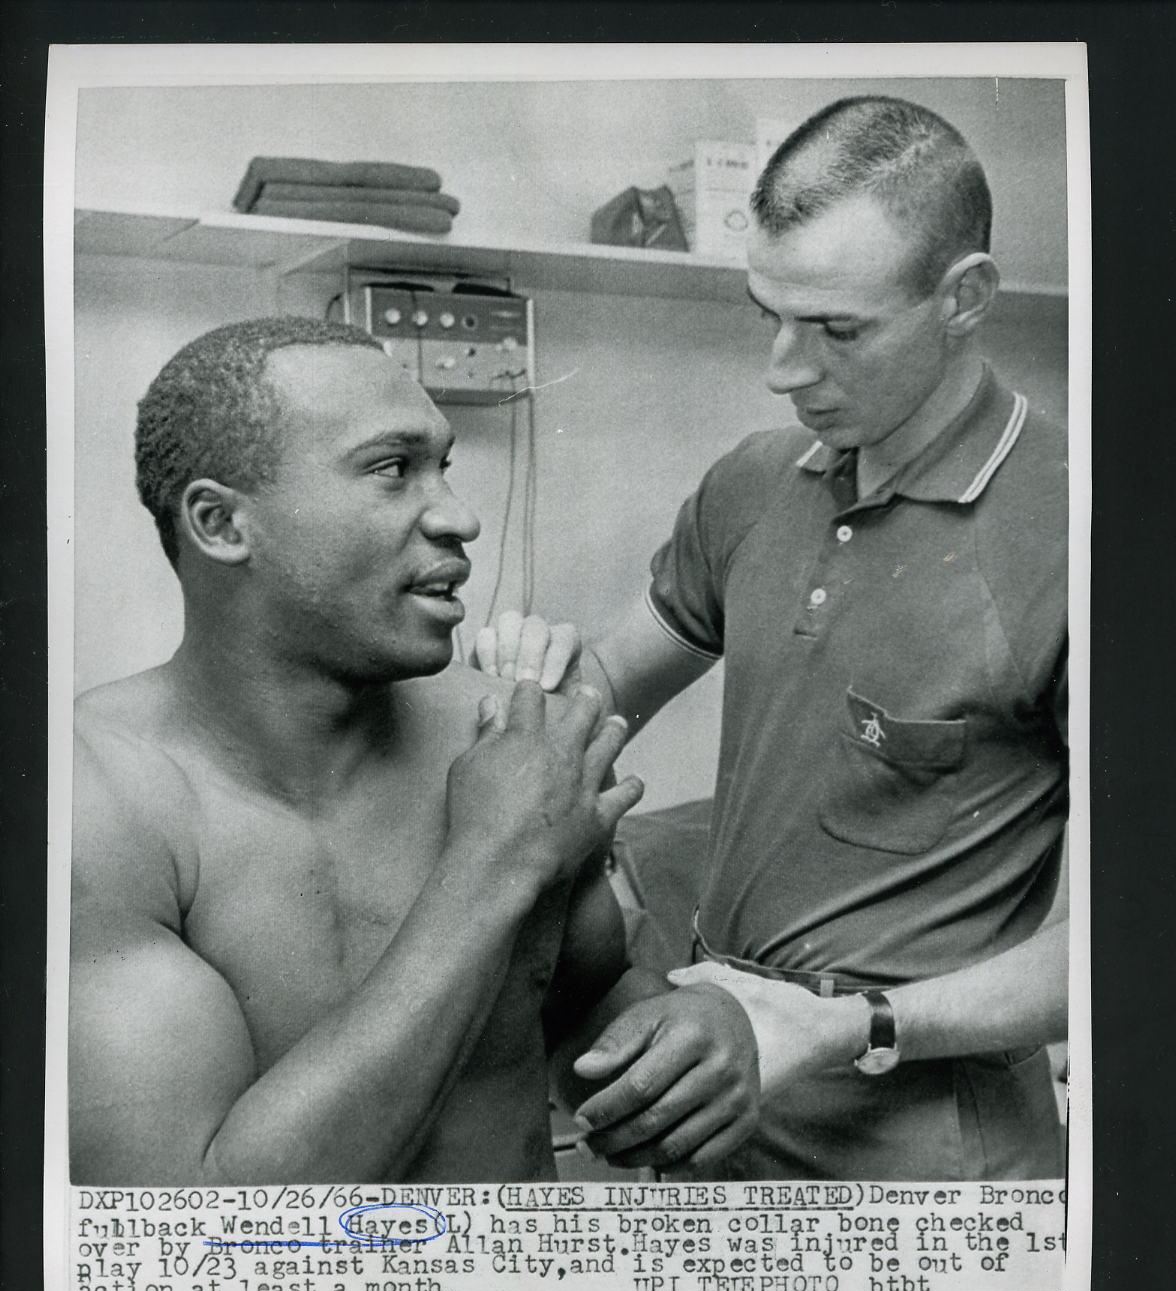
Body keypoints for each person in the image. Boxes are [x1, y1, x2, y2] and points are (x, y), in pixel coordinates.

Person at [475, 96, 1069, 1181]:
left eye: (839, 330)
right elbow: (604, 688)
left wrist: (850, 1028)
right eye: (770, 317)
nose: (786, 370)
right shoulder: (755, 481)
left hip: (922, 1145)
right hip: (713, 1094)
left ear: (965, 298)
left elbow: (1119, 953)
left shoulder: (1083, 531)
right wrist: (530, 684)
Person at [68, 317, 759, 1187]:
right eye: (393, 469)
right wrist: (492, 860)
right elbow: (204, 1232)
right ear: (220, 523)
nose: (458, 517)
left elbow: (585, 999)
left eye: (444, 467)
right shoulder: (96, 806)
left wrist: (695, 1030)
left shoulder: (514, 737)